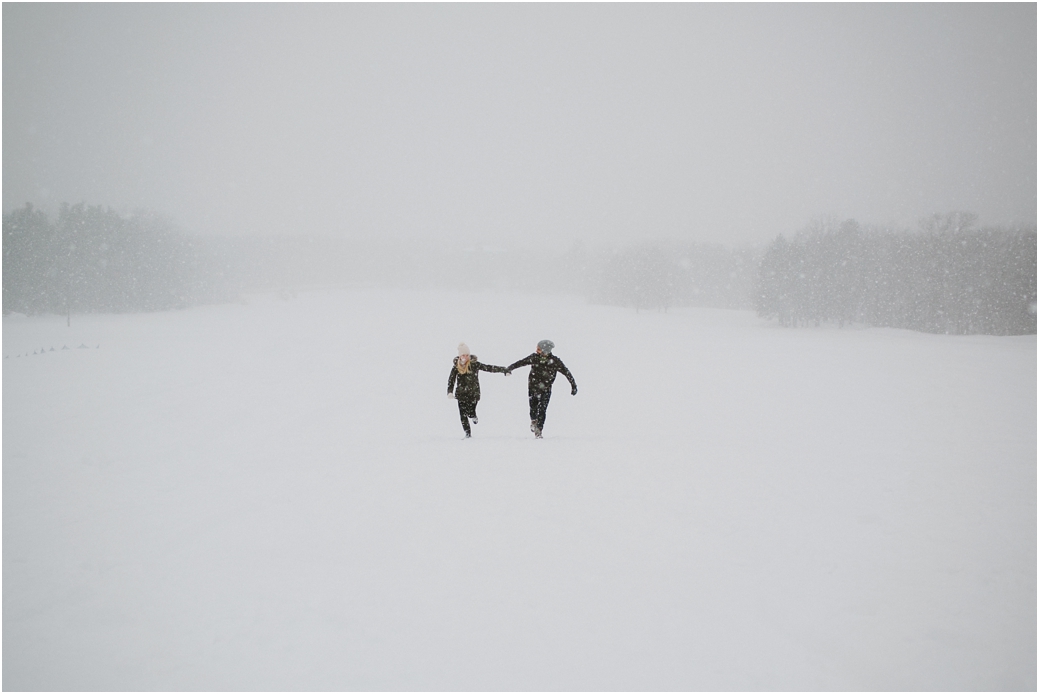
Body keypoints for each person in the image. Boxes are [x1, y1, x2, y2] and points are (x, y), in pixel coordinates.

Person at [505, 339, 577, 439]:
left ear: (544, 350)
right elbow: (521, 362)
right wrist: (509, 368)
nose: (536, 350)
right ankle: (533, 420)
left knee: (542, 410)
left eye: (538, 349)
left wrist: (573, 385)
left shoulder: (555, 361)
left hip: (546, 389)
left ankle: (539, 431)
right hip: (533, 388)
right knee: (533, 408)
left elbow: (566, 372)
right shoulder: (534, 358)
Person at [447, 343, 507, 438]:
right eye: (463, 355)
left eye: (467, 355)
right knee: (463, 415)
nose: (465, 357)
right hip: (461, 394)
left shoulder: (474, 364)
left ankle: (473, 415)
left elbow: (488, 368)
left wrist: (503, 369)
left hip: (473, 393)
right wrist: (449, 392)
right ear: (459, 356)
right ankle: (468, 434)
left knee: (470, 412)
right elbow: (451, 380)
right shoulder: (456, 367)